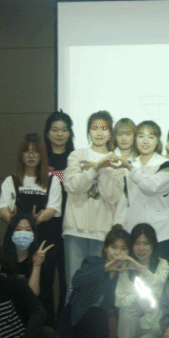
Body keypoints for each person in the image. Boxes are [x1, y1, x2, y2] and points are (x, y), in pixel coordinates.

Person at [0, 134, 64, 321]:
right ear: (21, 155)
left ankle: (45, 328)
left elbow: (53, 209)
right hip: (16, 242)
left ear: (42, 154)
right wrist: (10, 217)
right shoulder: (11, 180)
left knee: (44, 285)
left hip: (43, 241)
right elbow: (2, 208)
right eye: (27, 151)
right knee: (14, 284)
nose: (31, 155)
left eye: (35, 151)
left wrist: (36, 220)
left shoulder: (52, 180)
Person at [62, 111, 126, 292]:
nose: (99, 132)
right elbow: (72, 186)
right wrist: (94, 169)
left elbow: (112, 197)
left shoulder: (116, 160)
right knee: (74, 286)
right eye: (94, 128)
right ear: (88, 131)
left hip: (102, 232)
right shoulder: (77, 155)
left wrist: (103, 169)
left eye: (104, 128)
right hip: (75, 229)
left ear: (110, 133)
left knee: (97, 288)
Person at [57, 227, 129, 338]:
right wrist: (105, 268)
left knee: (97, 313)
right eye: (114, 247)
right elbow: (76, 281)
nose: (117, 252)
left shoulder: (124, 274)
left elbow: (120, 305)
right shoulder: (92, 262)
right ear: (106, 248)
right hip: (74, 318)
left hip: (98, 325)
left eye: (123, 248)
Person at [114, 121, 169, 265]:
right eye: (141, 136)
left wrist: (130, 168)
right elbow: (125, 201)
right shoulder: (132, 165)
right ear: (135, 139)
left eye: (151, 137)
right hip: (134, 234)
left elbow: (151, 187)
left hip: (161, 233)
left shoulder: (166, 164)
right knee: (134, 274)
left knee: (160, 274)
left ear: (157, 140)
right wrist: (117, 227)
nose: (145, 141)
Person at [114, 223, 169, 338]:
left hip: (155, 326)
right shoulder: (125, 266)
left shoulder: (163, 264)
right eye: (137, 243)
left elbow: (158, 289)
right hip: (134, 325)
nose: (141, 248)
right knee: (126, 311)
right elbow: (119, 298)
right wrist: (138, 303)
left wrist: (141, 268)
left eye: (146, 243)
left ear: (153, 244)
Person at [42, 111, 73, 315]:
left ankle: (63, 322)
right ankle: (45, 323)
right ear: (47, 133)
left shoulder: (76, 158)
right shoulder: (40, 158)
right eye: (54, 130)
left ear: (70, 133)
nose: (59, 134)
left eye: (64, 130)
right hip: (46, 224)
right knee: (44, 275)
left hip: (69, 224)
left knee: (66, 277)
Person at [0, 212, 54, 300]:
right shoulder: (0, 258)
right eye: (18, 229)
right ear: (11, 232)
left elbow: (33, 295)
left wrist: (37, 265)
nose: (23, 233)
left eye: (28, 230)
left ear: (34, 234)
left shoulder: (40, 259)